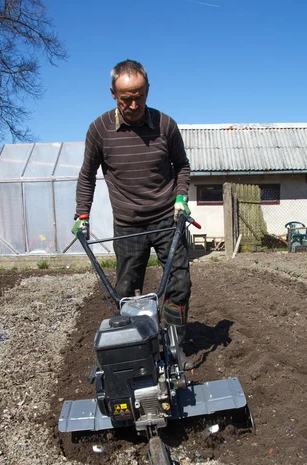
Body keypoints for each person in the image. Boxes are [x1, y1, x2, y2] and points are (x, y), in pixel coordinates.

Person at [72, 59, 193, 366]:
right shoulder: (99, 130)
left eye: (140, 95)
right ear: (113, 94)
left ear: (148, 90)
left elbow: (182, 165)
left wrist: (181, 197)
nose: (134, 103)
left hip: (167, 218)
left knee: (179, 284)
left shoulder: (165, 124)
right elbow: (87, 176)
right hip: (128, 224)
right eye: (126, 97)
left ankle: (177, 352)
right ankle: (136, 352)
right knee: (126, 292)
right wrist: (82, 215)